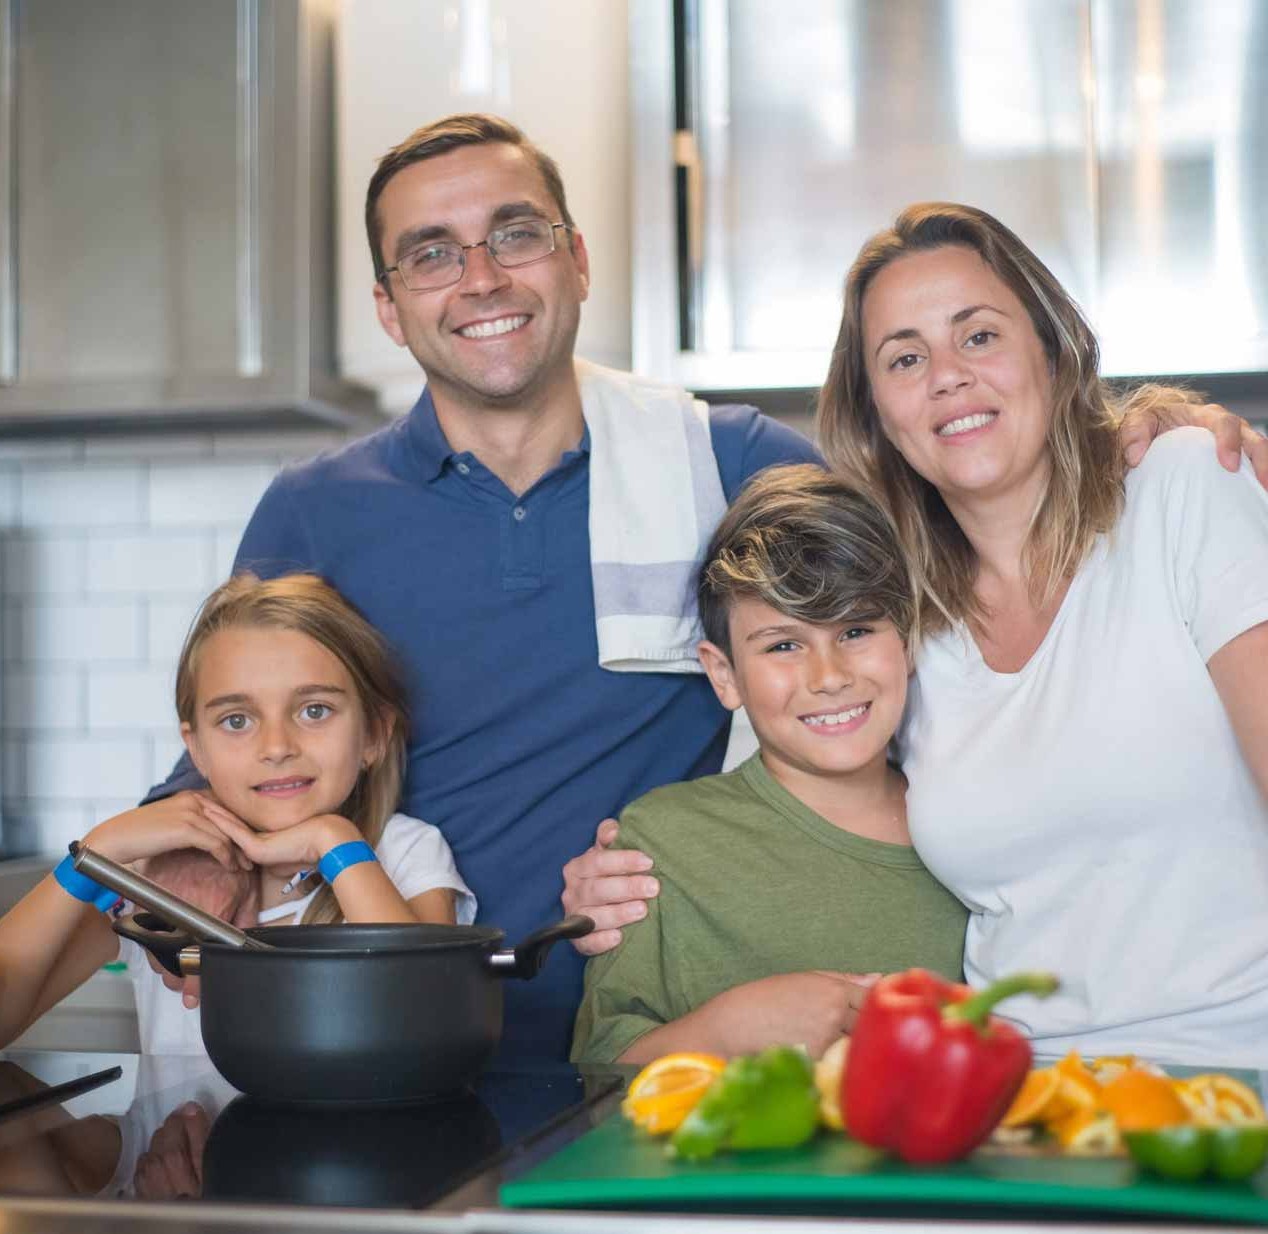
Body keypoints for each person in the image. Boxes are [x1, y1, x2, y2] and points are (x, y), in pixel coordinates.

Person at [148, 112, 1263, 1065]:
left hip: (629, 1039)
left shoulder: (725, 457)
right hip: (391, 1035)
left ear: (576, 260)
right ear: (390, 307)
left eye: (514, 235)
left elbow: (959, 474)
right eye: (431, 254)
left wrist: (1132, 424)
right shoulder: (315, 511)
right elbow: (224, 776)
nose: (480, 277)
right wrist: (201, 902)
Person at [810, 202, 1268, 1066]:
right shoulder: (894, 618)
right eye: (905, 358)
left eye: (978, 336)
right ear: (878, 414)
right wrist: (638, 876)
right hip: (1010, 1095)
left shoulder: (1184, 486)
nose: (947, 376)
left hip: (1238, 1074)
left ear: (1054, 354)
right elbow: (775, 795)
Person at [571, 465, 968, 1065]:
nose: (829, 676)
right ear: (723, 674)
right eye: (784, 645)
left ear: (908, 640)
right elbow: (600, 1066)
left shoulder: (980, 823)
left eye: (857, 630)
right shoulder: (662, 845)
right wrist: (724, 1031)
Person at [0, 573, 474, 1055]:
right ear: (196, 751)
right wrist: (98, 850)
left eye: (314, 710)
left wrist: (334, 842)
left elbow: (423, 1019)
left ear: (374, 734)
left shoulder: (404, 851)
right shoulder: (154, 880)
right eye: (236, 720)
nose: (276, 747)